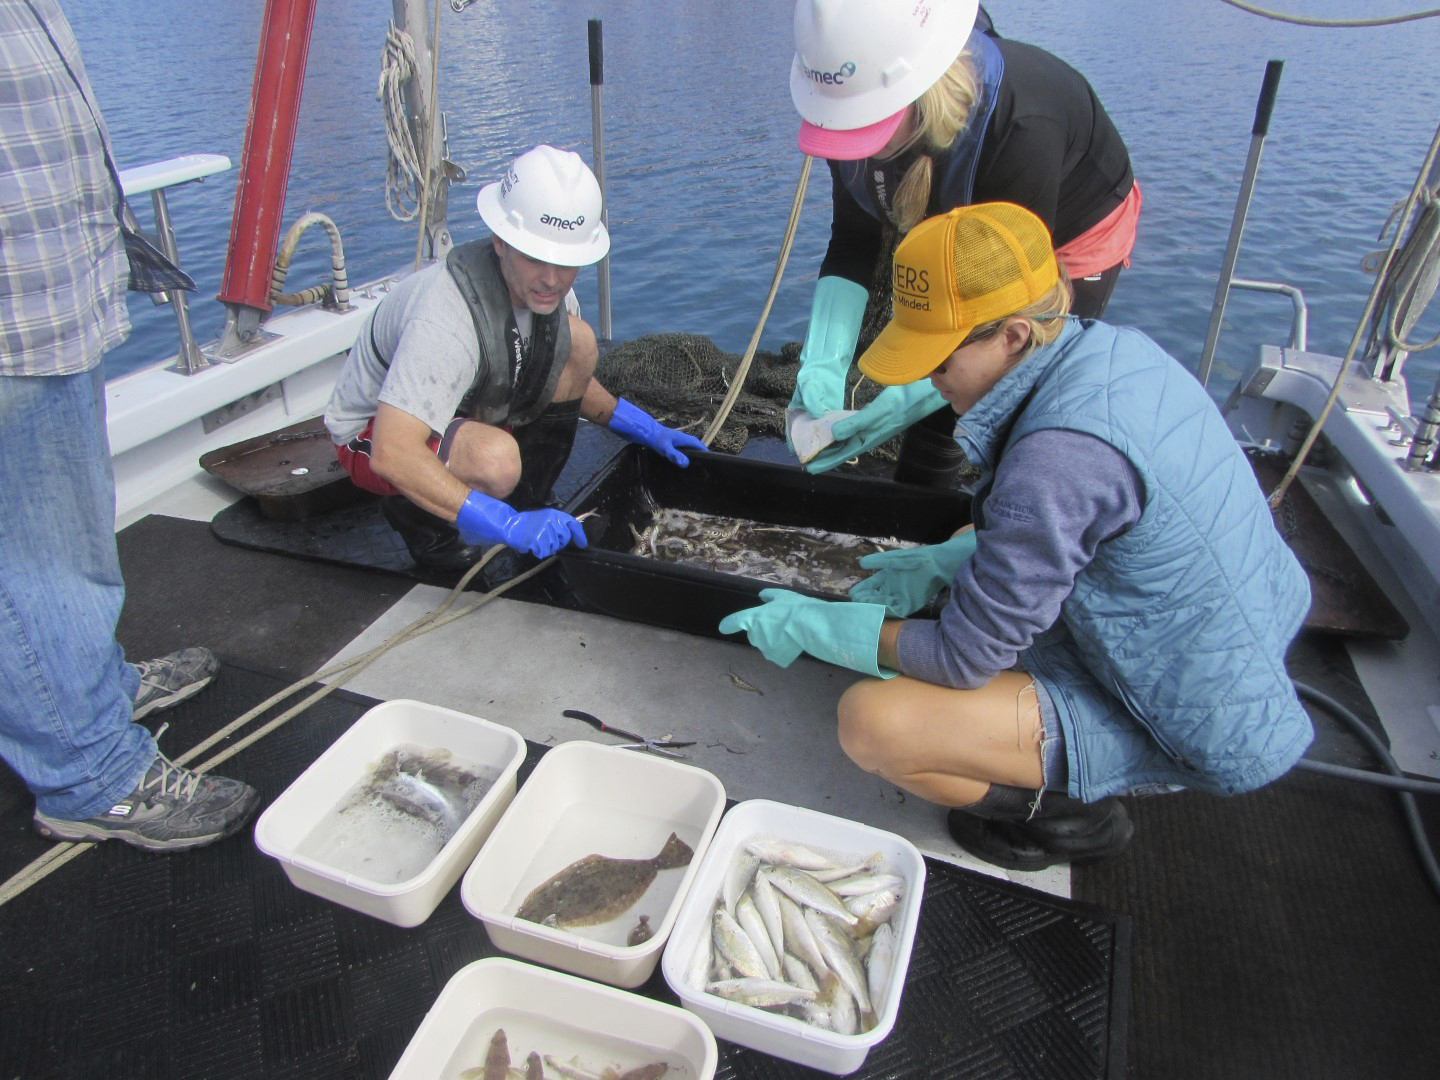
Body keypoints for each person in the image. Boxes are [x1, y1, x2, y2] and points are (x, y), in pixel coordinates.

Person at [721, 203, 1312, 870]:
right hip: (1237, 627)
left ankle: (1072, 820)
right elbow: (1078, 521)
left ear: (1013, 335)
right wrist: (950, 558)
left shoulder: (1057, 458)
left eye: (939, 359)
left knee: (874, 722)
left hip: (1188, 705)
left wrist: (828, 627)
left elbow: (961, 659)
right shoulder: (1114, 351)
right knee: (969, 535)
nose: (930, 380)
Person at [0, 0, 259, 852]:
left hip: (51, 289)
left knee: (68, 530)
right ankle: (88, 774)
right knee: (24, 555)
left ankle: (90, 691)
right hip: (9, 305)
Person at [785, 0, 1141, 481]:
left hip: (1067, 233)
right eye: (846, 121)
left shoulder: (1021, 126)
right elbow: (855, 237)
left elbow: (1004, 303)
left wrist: (905, 400)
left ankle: (1008, 506)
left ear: (915, 89)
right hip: (958, 210)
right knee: (944, 379)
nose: (854, 136)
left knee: (1005, 396)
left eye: (865, 123)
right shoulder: (850, 111)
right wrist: (822, 365)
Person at [324, 145, 708, 571]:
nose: (551, 279)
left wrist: (644, 427)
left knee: (578, 340)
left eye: (566, 261)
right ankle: (426, 524)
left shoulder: (549, 292)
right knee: (496, 460)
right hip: (378, 433)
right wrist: (505, 524)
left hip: (465, 406)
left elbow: (565, 371)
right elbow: (392, 452)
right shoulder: (446, 318)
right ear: (500, 241)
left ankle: (532, 499)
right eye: (534, 257)